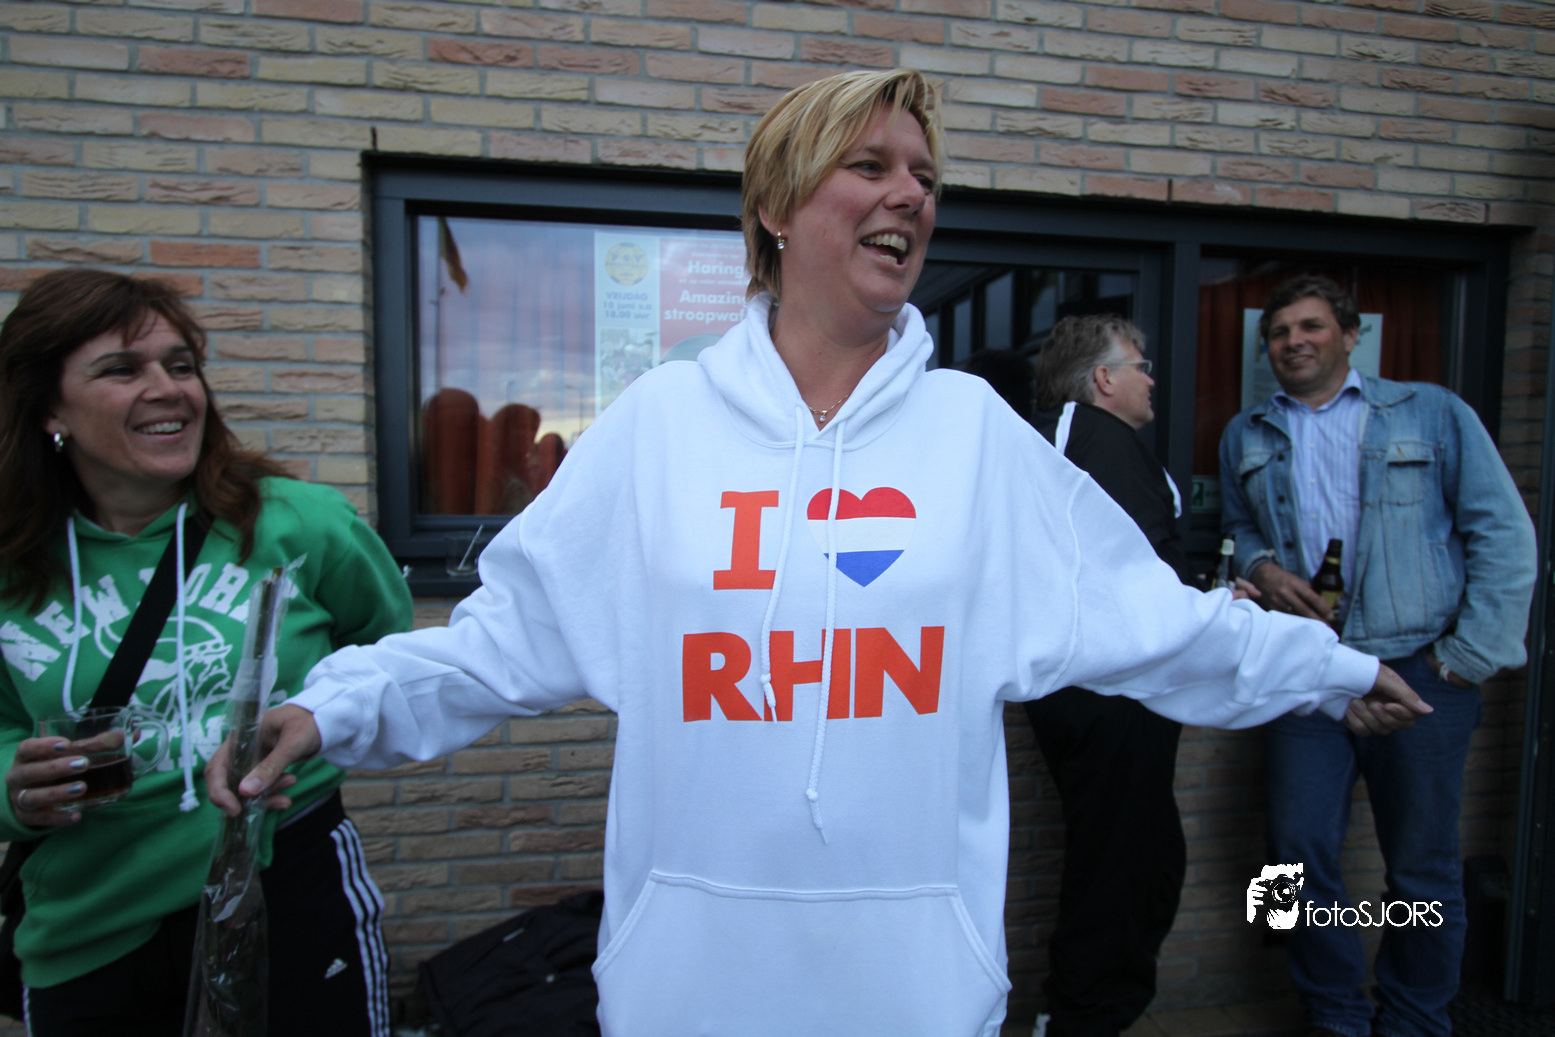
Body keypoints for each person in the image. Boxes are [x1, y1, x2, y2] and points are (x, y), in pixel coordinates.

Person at [212, 71, 1429, 1037]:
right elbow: (504, 640)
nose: (911, 196)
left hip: (916, 985)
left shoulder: (971, 436)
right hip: (687, 986)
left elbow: (1147, 617)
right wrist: (332, 707)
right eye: (871, 166)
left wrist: (1328, 668)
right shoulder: (660, 427)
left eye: (925, 177)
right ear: (778, 207)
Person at [0, 269, 413, 1036]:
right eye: (121, 369)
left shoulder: (300, 523)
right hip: (90, 926)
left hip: (284, 886)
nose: (168, 388)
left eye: (180, 364)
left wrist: (316, 719)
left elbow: (389, 660)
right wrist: (14, 788)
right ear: (48, 407)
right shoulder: (13, 562)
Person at [1218, 274, 1536, 1037]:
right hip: (1309, 672)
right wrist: (1261, 568)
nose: (1292, 341)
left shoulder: (1431, 412)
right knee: (1289, 857)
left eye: (1310, 326)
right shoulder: (1245, 433)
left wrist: (1462, 660)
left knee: (1421, 865)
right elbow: (1238, 528)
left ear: (1351, 335)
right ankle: (1332, 1014)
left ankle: (1413, 1018)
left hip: (1419, 670)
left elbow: (1502, 533)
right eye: (1278, 332)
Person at [1019, 316, 1252, 1037]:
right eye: (1140, 366)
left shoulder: (1068, 440)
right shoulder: (1099, 438)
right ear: (1102, 379)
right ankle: (1081, 1020)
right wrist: (1209, 614)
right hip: (1112, 689)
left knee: (1126, 855)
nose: (1152, 381)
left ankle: (1081, 1011)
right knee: (1128, 864)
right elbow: (1129, 580)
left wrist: (1203, 596)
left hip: (1091, 684)